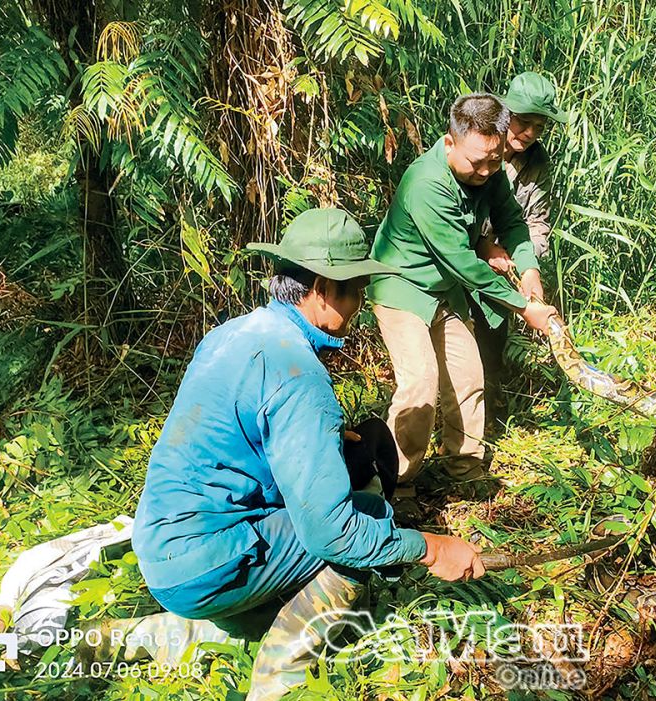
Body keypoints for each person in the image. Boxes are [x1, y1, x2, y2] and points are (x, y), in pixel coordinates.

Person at [129, 208, 486, 699]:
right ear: (321, 287)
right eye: (355, 290)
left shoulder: (235, 333)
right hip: (201, 563)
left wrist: (320, 443)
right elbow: (332, 533)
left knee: (366, 451)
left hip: (159, 545)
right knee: (365, 526)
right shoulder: (298, 373)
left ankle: (204, 630)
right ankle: (281, 680)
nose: (360, 303)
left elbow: (235, 428)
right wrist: (431, 546)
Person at [368, 93, 557, 502]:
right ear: (450, 142)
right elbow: (462, 262)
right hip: (403, 287)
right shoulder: (426, 184)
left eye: (494, 159)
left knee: (468, 377)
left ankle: (463, 466)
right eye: (477, 161)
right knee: (420, 384)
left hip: (444, 293)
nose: (486, 171)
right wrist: (524, 307)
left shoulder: (491, 173)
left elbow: (513, 223)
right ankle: (394, 480)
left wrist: (529, 269)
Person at [472, 71, 568, 422]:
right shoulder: (479, 146)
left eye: (539, 127)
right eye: (523, 122)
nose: (529, 134)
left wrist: (529, 263)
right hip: (465, 252)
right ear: (505, 114)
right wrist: (483, 247)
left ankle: (490, 398)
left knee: (494, 330)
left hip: (508, 259)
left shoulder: (538, 163)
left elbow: (536, 220)